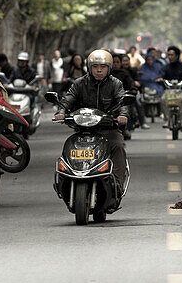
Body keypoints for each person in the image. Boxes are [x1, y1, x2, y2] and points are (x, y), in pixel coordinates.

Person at [54, 50, 130, 188]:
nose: (99, 70)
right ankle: (63, 183)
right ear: (89, 67)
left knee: (118, 147)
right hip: (83, 129)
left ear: (109, 68)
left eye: (103, 67)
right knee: (69, 146)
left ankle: (117, 184)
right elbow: (68, 99)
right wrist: (61, 111)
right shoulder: (79, 83)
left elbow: (122, 101)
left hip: (108, 129)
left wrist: (123, 115)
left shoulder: (116, 84)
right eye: (95, 67)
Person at [161, 45, 182, 128]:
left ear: (177, 55)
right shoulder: (165, 67)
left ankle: (180, 118)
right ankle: (166, 119)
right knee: (162, 99)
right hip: (168, 91)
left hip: (181, 91)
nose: (170, 57)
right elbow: (160, 75)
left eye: (172, 55)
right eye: (168, 55)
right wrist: (159, 78)